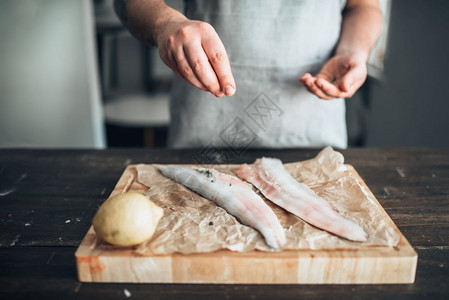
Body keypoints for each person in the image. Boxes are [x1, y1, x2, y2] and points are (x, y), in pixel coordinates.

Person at [114, 0, 382, 149]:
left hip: (314, 134)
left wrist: (354, 51)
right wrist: (166, 23)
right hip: (203, 134)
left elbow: (363, 6)